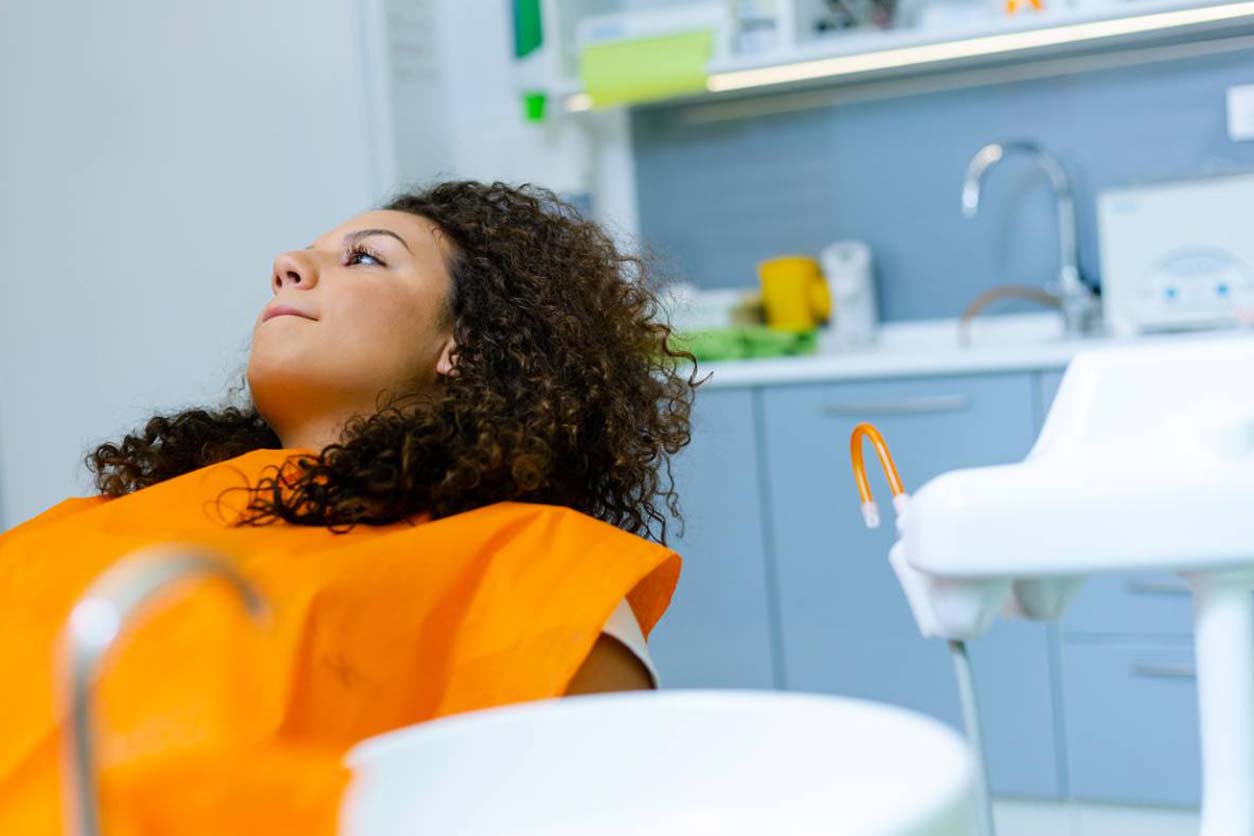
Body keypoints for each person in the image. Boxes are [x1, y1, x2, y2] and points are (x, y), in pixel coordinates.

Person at [0, 181, 698, 833]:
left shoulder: (528, 561)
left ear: (464, 345)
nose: (289, 265)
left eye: (364, 258)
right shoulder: (97, 516)